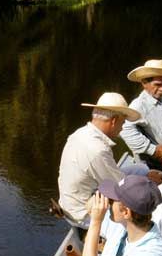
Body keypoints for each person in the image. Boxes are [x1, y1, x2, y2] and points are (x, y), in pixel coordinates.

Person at [57, 92, 142, 227]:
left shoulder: (79, 133)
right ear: (113, 121)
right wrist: (149, 185)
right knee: (142, 209)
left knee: (139, 170)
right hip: (83, 215)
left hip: (70, 204)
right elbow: (121, 187)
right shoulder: (98, 149)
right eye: (123, 123)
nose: (121, 129)